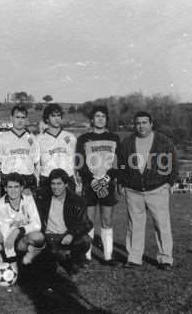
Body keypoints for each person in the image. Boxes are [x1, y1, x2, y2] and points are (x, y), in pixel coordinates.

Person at [119, 111, 178, 270]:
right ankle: (134, 258)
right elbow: (122, 165)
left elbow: (173, 163)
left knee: (162, 225)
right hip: (134, 190)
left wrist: (169, 183)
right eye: (138, 123)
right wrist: (122, 183)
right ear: (134, 125)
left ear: (151, 124)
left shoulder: (163, 141)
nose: (141, 126)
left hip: (157, 189)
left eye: (144, 122)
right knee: (135, 226)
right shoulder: (127, 142)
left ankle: (165, 258)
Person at [76, 106, 120, 265]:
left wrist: (107, 178)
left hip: (107, 184)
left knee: (107, 220)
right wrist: (92, 179)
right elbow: (79, 162)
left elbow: (118, 161)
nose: (100, 119)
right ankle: (86, 257)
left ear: (106, 119)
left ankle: (108, 257)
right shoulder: (84, 138)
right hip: (90, 184)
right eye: (97, 116)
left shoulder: (114, 137)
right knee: (88, 221)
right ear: (92, 119)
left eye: (103, 116)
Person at [35, 169, 93, 273]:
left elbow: (87, 224)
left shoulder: (77, 200)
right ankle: (58, 257)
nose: (55, 187)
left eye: (59, 184)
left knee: (85, 240)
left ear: (66, 184)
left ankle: (72, 259)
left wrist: (71, 234)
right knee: (47, 267)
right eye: (53, 184)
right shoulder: (41, 197)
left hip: (65, 237)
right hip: (48, 238)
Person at [0, 173, 45, 271]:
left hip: (23, 237)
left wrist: (18, 231)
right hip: (8, 237)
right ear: (5, 188)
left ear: (22, 188)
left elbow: (37, 224)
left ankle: (31, 254)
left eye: (16, 187)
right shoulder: (0, 205)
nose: (13, 190)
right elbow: (5, 233)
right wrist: (12, 260)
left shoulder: (28, 199)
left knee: (38, 237)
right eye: (10, 187)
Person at [0, 105, 40, 194]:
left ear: (26, 119)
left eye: (23, 117)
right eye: (17, 117)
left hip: (27, 180)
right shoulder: (2, 138)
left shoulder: (32, 139)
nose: (20, 120)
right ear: (11, 118)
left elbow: (36, 162)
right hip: (8, 179)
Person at [36, 103, 77, 191]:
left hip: (67, 178)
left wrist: (75, 179)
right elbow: (37, 164)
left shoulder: (71, 137)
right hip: (47, 179)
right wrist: (37, 181)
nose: (57, 118)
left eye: (59, 115)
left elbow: (74, 160)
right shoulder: (39, 139)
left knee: (69, 205)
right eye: (53, 116)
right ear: (47, 119)